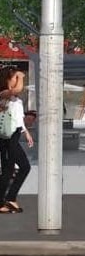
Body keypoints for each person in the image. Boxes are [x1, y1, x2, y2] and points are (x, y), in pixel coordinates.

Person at [0, 67, 33, 213]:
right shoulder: (3, 94)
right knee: (8, 170)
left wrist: (26, 132)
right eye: (14, 77)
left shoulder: (15, 99)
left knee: (22, 167)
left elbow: (18, 119)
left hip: (14, 135)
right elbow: (17, 89)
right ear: (8, 79)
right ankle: (3, 202)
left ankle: (10, 198)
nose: (17, 80)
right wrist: (21, 76)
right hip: (6, 138)